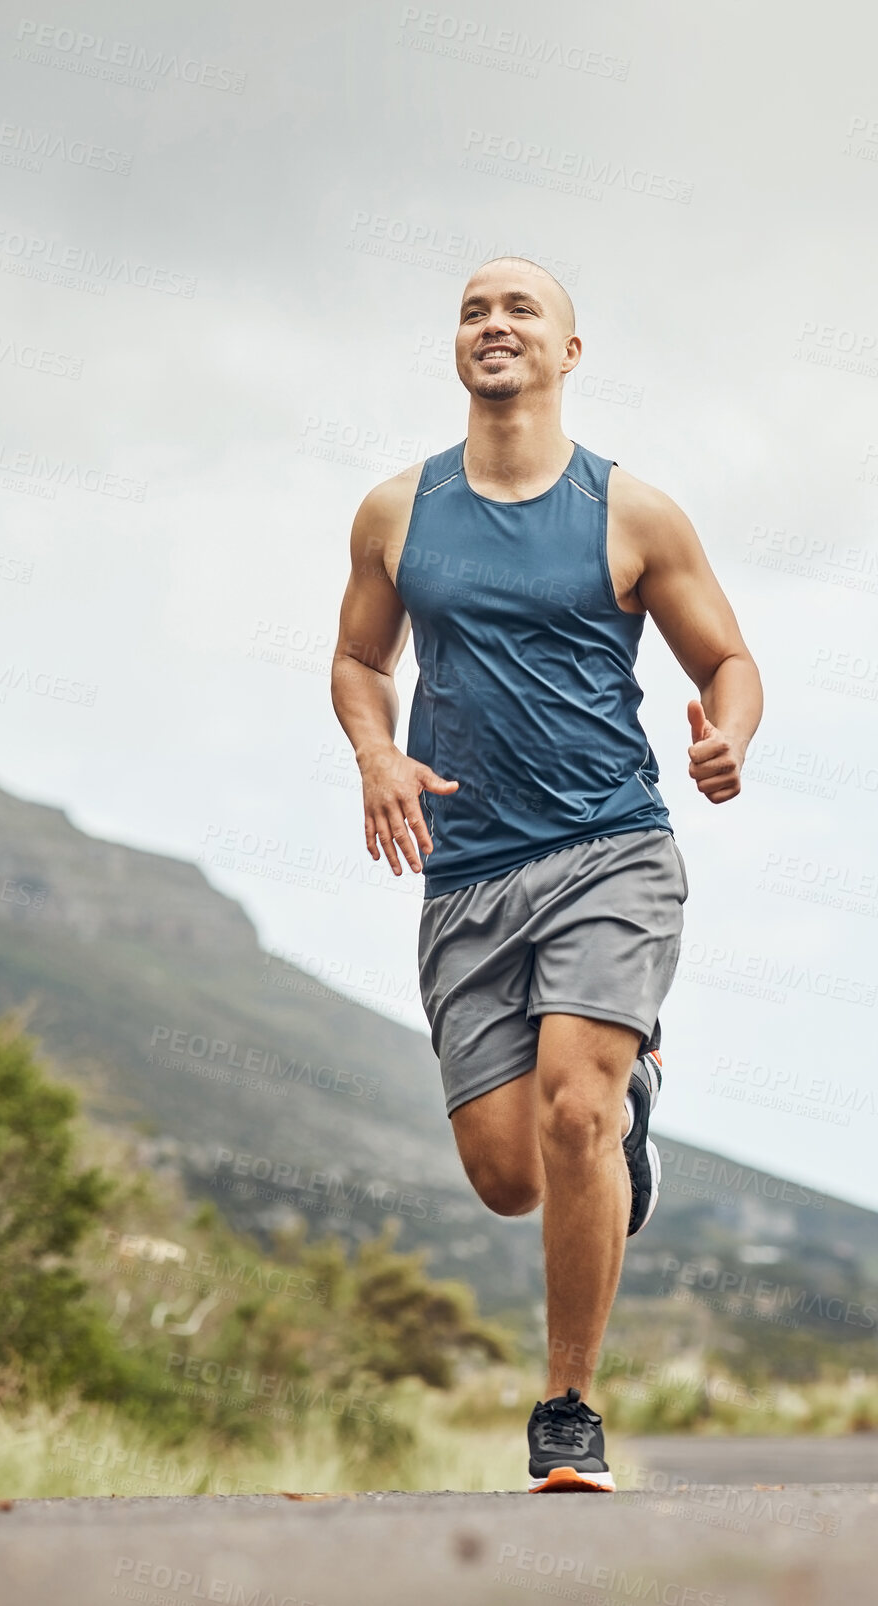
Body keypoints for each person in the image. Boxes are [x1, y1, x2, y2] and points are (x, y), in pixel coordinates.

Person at [329, 255, 763, 1491]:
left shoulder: (632, 513)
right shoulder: (393, 514)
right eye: (474, 310)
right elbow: (361, 661)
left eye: (522, 309)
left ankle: (568, 1404)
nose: (495, 323)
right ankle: (625, 1132)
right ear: (456, 350)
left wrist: (729, 734)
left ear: (571, 353)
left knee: (579, 1101)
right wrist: (376, 753)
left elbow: (727, 659)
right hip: (465, 871)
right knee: (511, 1173)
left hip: (611, 848)